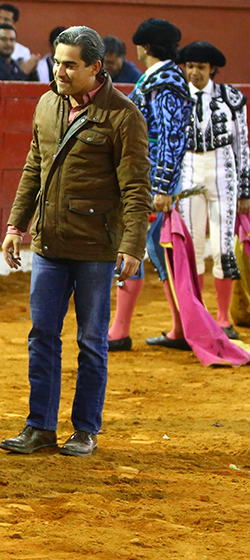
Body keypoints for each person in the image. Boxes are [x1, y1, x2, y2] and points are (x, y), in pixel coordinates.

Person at [0, 26, 150, 457]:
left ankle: (85, 429)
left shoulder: (123, 115)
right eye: (56, 61)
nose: (59, 70)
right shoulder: (47, 103)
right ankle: (40, 427)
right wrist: (15, 225)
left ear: (95, 68)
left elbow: (136, 188)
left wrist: (133, 245)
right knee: (41, 335)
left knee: (91, 341)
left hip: (95, 249)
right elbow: (34, 167)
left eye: (70, 64)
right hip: (49, 243)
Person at [108, 18, 191, 352]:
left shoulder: (165, 81)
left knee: (140, 247)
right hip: (147, 176)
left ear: (144, 47)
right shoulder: (162, 78)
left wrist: (162, 187)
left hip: (151, 180)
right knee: (155, 251)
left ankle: (121, 331)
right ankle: (177, 328)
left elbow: (171, 137)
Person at [175, 41, 249, 338]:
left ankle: (222, 318)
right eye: (190, 66)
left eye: (200, 68)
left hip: (222, 169)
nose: (193, 73)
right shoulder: (176, 97)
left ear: (212, 70)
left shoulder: (233, 99)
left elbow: (241, 146)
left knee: (222, 247)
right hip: (189, 169)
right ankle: (198, 314)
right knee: (192, 247)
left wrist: (245, 190)